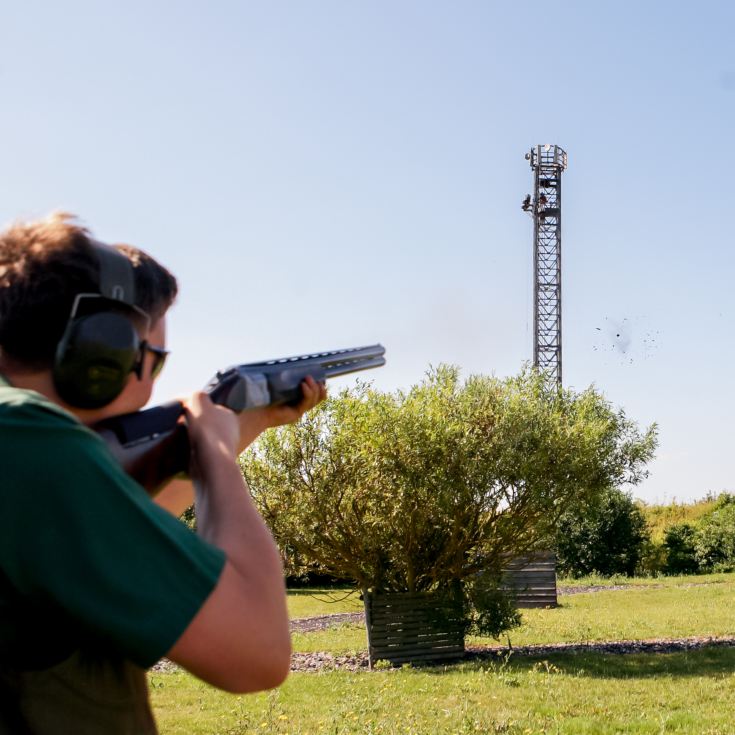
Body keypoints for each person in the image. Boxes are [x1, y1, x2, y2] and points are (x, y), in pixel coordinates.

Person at [0, 212, 326, 733]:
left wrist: (247, 424)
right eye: (152, 357)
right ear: (102, 354)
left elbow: (115, 529)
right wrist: (216, 460)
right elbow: (258, 651)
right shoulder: (31, 442)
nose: (153, 383)